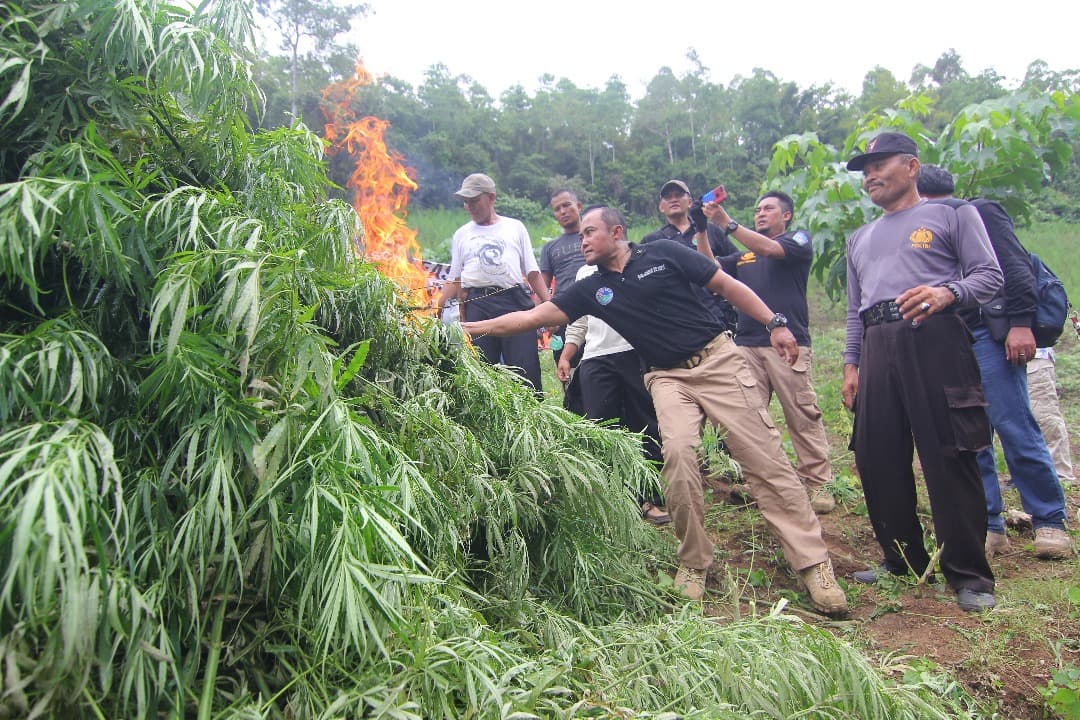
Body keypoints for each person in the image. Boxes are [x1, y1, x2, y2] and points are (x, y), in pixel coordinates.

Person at [461, 205, 848, 616]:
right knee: (677, 457)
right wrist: (469, 328)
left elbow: (727, 285)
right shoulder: (592, 288)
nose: (583, 241)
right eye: (581, 235)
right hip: (667, 377)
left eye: (590, 232)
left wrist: (775, 322)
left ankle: (813, 563)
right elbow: (531, 316)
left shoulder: (664, 252)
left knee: (764, 459)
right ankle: (694, 561)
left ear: (617, 232)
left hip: (718, 361)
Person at [841, 132, 1002, 612]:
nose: (870, 175)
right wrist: (851, 364)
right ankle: (901, 558)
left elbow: (989, 276)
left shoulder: (952, 214)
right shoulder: (859, 238)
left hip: (934, 338)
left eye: (879, 164)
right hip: (877, 344)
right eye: (864, 169)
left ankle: (969, 574)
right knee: (876, 454)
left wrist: (948, 292)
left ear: (911, 167)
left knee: (949, 451)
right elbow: (855, 310)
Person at [917, 165, 1072, 560]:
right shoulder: (913, 229)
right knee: (970, 434)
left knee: (1013, 424)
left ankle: (1050, 520)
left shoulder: (979, 212)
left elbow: (1015, 268)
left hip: (989, 333)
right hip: (950, 338)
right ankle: (990, 524)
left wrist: (1020, 324)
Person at [703, 191, 836, 514]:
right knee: (750, 417)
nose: (760, 213)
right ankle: (761, 483)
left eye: (768, 208)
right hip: (748, 343)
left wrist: (727, 223)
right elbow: (710, 271)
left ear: (786, 215)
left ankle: (818, 482)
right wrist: (701, 230)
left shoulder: (797, 241)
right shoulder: (744, 256)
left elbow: (770, 249)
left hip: (789, 342)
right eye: (757, 209)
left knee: (801, 414)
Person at [556, 263, 669, 525]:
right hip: (595, 358)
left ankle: (650, 497)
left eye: (590, 239)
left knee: (645, 427)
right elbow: (579, 322)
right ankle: (616, 499)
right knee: (602, 430)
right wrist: (567, 355)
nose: (584, 244)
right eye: (582, 240)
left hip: (634, 354)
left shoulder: (636, 267)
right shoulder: (584, 274)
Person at [435, 173, 550, 393]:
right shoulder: (462, 234)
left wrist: (549, 305)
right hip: (477, 304)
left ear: (491, 197)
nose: (469, 206)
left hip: (513, 301)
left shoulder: (514, 227)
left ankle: (532, 411)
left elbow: (532, 272)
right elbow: (455, 278)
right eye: (466, 202)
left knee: (525, 369)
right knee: (482, 372)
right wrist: (437, 307)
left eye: (474, 200)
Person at [642, 180, 739, 329]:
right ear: (661, 207)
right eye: (668, 197)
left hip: (718, 315)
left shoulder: (711, 230)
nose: (674, 199)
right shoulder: (651, 241)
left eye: (678, 195)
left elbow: (737, 263)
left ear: (690, 202)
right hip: (677, 320)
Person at [540, 189, 587, 366]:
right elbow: (542, 286)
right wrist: (545, 317)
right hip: (564, 313)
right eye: (557, 209)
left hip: (597, 307)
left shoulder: (593, 237)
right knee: (566, 366)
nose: (563, 211)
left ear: (579, 206)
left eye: (567, 205)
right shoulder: (550, 247)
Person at [1027, 347, 1076, 486]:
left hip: (1033, 358)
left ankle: (1059, 475)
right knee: (1013, 422)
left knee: (1044, 417)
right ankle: (1028, 476)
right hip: (998, 361)